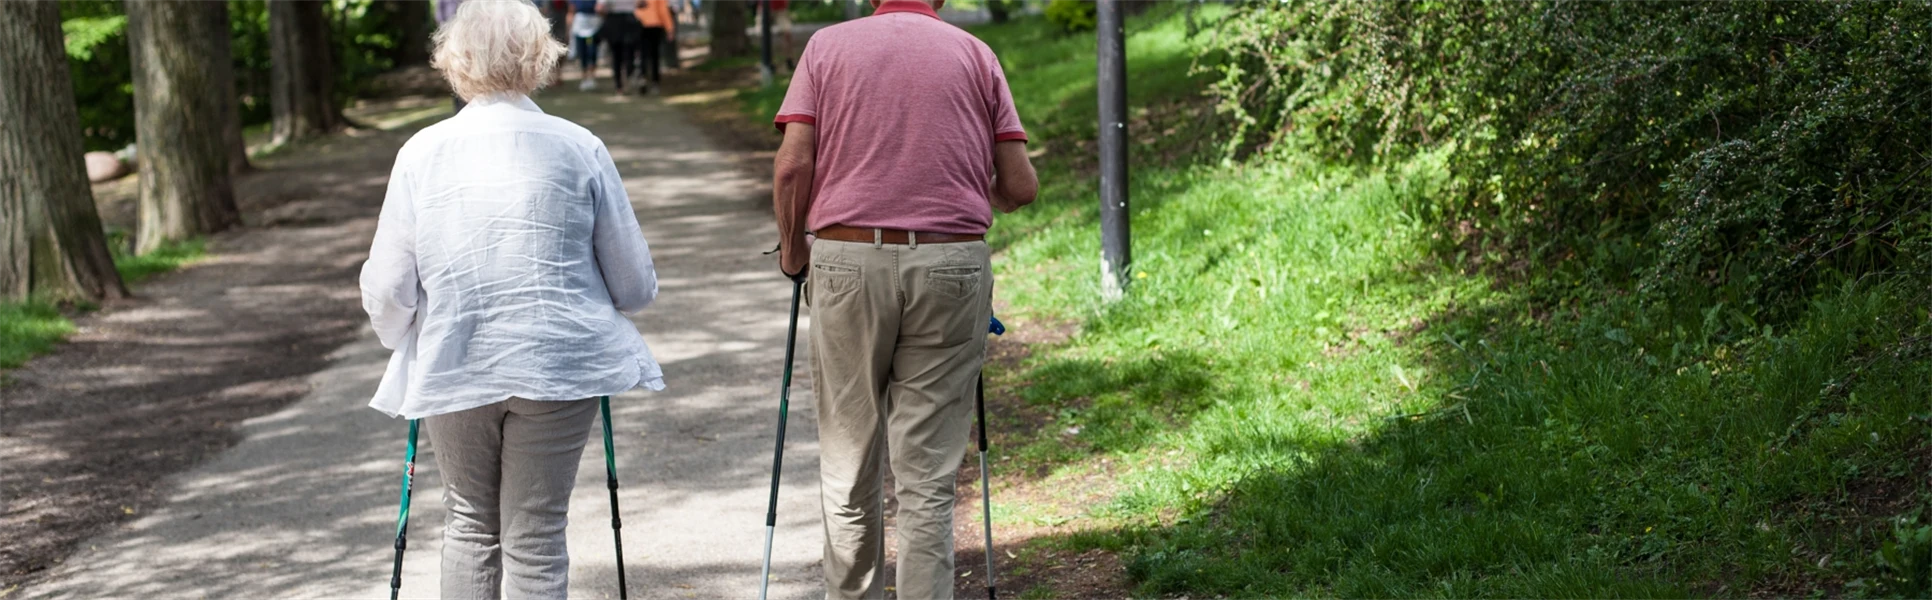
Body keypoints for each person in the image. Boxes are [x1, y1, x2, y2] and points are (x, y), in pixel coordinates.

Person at [361, 2, 664, 597]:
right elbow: (633, 286)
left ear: (454, 60)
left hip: (457, 359)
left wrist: (406, 339)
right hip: (557, 362)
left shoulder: (423, 151)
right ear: (540, 57)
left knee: (469, 527)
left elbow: (388, 286)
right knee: (537, 535)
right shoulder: (580, 146)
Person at [768, 0, 1037, 597]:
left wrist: (793, 252)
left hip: (847, 261)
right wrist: (958, 188)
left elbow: (792, 167)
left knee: (848, 462)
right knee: (927, 477)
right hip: (951, 266)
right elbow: (1020, 185)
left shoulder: (826, 48)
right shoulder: (977, 54)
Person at [596, 0, 647, 94]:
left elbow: (599, 8)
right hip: (629, 22)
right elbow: (643, 3)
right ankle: (628, 77)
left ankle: (619, 85)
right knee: (629, 54)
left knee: (616, 57)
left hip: (614, 23)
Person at [632, 0, 676, 94]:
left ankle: (642, 77)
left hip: (640, 23)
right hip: (655, 24)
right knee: (654, 55)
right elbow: (663, 10)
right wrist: (669, 28)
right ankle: (655, 82)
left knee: (642, 53)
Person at [567, 0, 604, 90]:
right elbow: (571, 10)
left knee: (591, 51)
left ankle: (591, 77)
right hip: (580, 25)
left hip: (593, 24)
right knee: (582, 52)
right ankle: (584, 77)